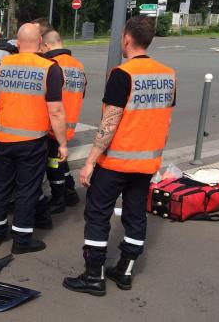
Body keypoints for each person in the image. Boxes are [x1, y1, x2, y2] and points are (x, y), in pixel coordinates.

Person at [63, 16, 176, 296]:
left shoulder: (122, 74)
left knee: (98, 215)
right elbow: (166, 120)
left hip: (116, 162)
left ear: (126, 39)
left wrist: (90, 161)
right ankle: (124, 272)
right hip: (146, 162)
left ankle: (93, 277)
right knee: (135, 214)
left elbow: (110, 122)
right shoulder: (168, 75)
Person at [0, 23, 68, 254]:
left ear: (18, 43)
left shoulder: (3, 65)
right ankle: (21, 240)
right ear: (40, 43)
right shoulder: (50, 68)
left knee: (1, 186)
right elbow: (56, 111)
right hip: (32, 142)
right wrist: (61, 143)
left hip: (5, 139)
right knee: (27, 189)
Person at [40, 30, 87, 213]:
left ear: (47, 46)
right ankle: (70, 190)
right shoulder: (78, 66)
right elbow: (82, 94)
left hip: (53, 124)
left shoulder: (52, 65)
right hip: (69, 123)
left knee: (53, 165)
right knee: (60, 160)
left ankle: (58, 199)